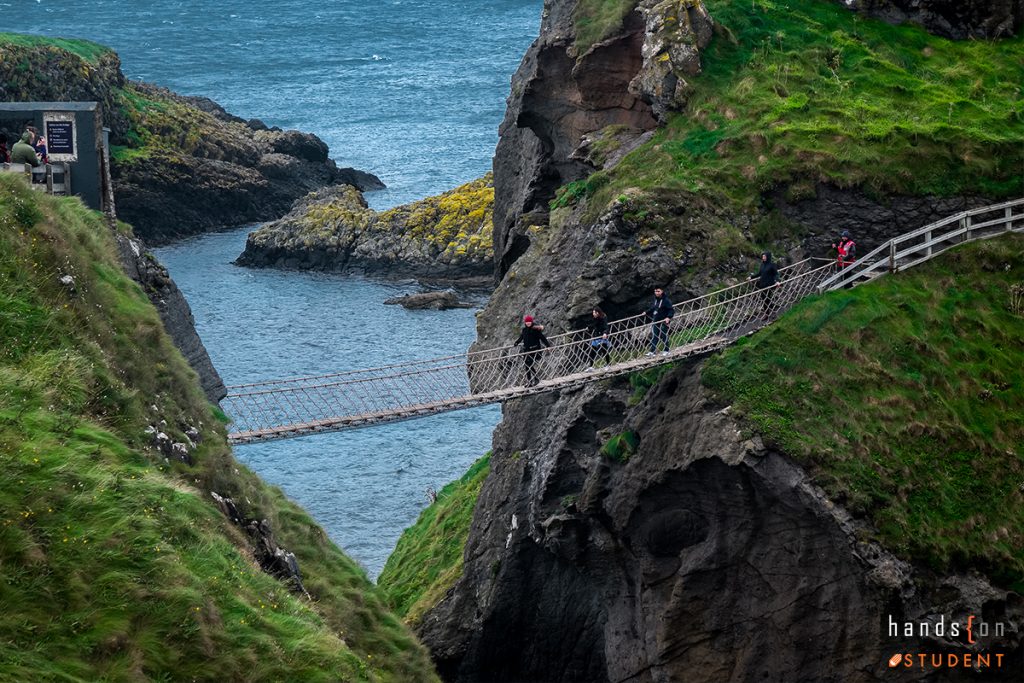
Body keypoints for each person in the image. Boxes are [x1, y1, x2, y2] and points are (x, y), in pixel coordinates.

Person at [514, 315, 551, 386]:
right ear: (525, 323)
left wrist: (548, 346)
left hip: (535, 350)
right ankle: (530, 381)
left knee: (528, 365)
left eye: (529, 322)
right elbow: (521, 337)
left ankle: (533, 380)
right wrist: (516, 342)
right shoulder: (524, 330)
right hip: (527, 351)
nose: (528, 323)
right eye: (527, 322)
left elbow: (542, 338)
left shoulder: (535, 330)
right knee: (527, 366)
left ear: (531, 322)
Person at [646, 287, 674, 356]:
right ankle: (652, 352)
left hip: (664, 320)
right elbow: (653, 308)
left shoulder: (666, 300)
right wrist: (646, 312)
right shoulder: (655, 300)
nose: (656, 293)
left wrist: (668, 317)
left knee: (664, 335)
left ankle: (666, 350)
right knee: (655, 335)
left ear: (662, 291)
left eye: (658, 291)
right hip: (656, 320)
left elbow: (671, 310)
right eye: (655, 291)